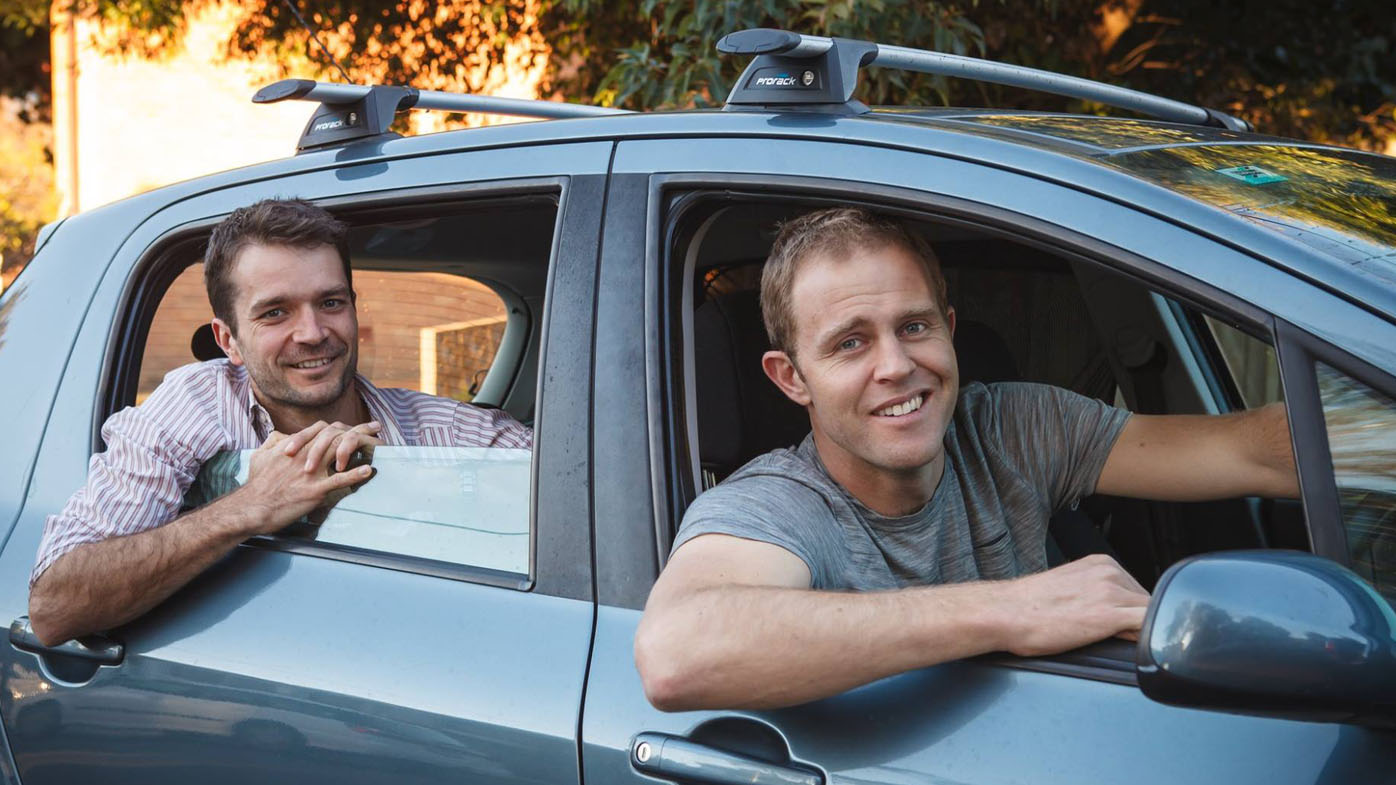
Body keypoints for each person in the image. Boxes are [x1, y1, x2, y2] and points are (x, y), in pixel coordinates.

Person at [635, 207, 1298, 711]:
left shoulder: (1010, 426)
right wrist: (1014, 609)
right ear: (791, 378)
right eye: (850, 343)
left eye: (914, 326)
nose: (895, 366)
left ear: (950, 329)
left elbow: (1256, 452)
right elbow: (677, 651)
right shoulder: (776, 503)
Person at [27, 198, 530, 646]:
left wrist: (425, 484)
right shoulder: (193, 408)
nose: (312, 333)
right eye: (275, 313)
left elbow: (581, 492)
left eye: (331, 302)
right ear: (228, 342)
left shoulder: (445, 431)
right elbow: (54, 608)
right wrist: (252, 504)